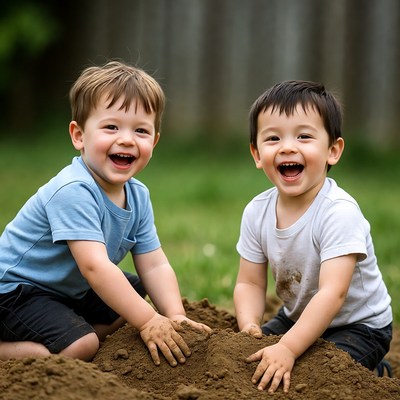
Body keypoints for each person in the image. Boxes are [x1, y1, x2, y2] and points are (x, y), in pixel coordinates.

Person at [0, 60, 211, 365]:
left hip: (65, 289)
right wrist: (149, 321)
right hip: (16, 292)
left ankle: (72, 334)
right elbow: (95, 268)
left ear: (154, 141)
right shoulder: (74, 190)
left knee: (136, 295)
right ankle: (35, 351)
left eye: (140, 130)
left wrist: (174, 315)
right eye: (111, 127)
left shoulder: (138, 195)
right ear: (79, 136)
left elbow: (153, 264)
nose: (126, 139)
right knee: (81, 346)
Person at [234, 80, 392, 393]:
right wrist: (249, 324)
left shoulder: (338, 212)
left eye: (304, 136)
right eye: (273, 138)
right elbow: (249, 282)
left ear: (333, 150)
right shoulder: (256, 211)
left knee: (313, 376)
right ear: (256, 153)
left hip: (360, 325)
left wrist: (289, 349)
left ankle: (373, 370)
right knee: (249, 359)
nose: (287, 147)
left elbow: (333, 293)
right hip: (297, 315)